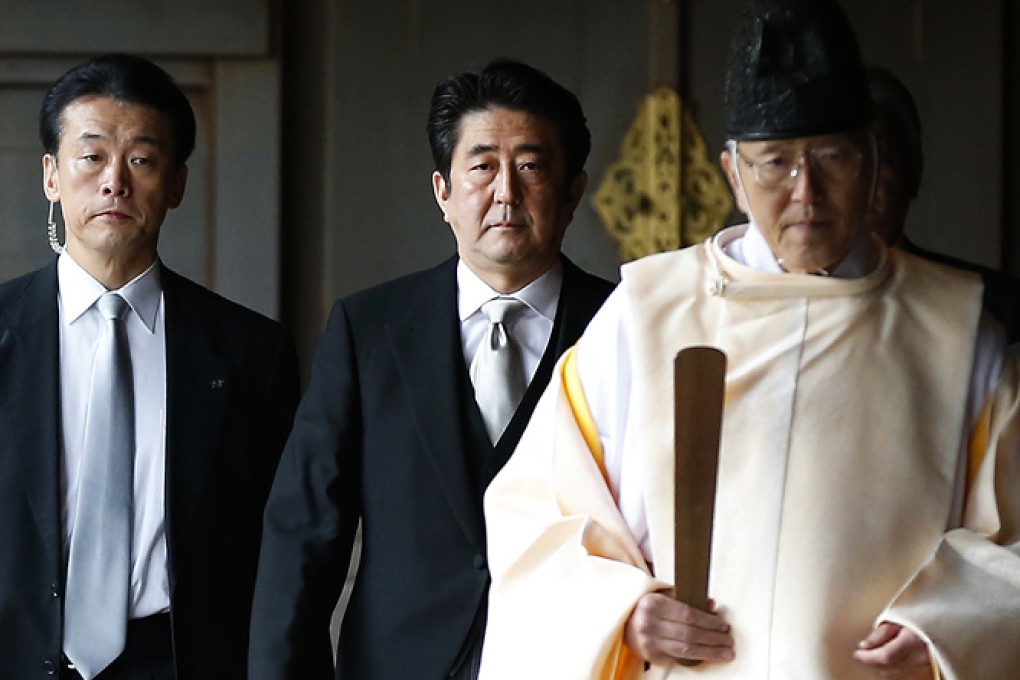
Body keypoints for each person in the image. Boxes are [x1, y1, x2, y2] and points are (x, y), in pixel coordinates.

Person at [479, 1, 1020, 678]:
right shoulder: (646, 314)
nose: (807, 193)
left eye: (833, 158)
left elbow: (1012, 544)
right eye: (775, 163)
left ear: (874, 161)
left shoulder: (956, 331)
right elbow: (538, 521)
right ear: (733, 174)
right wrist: (622, 612)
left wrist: (947, 623)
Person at [248, 59, 614, 680]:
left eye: (530, 166)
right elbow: (303, 537)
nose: (506, 192)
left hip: (581, 662)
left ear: (574, 189)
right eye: (482, 168)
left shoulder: (622, 330)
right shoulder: (368, 331)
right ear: (443, 192)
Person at [0, 54, 300, 680]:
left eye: (140, 158)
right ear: (51, 176)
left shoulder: (250, 353)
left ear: (177, 183)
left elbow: (281, 551)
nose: (115, 182)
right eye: (91, 157)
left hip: (181, 659)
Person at [865, 66, 1020, 343]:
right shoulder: (773, 311)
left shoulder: (997, 306)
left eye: (878, 162)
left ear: (913, 172)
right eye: (835, 163)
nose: (857, 185)